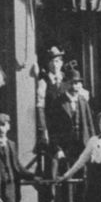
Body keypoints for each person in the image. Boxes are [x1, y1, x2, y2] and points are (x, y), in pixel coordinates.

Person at [46, 63, 95, 202]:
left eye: (79, 83)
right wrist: (57, 149)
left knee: (83, 182)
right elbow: (52, 129)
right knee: (67, 182)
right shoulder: (58, 103)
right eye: (73, 83)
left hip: (82, 147)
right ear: (67, 84)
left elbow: (89, 124)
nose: (76, 86)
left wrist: (93, 144)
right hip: (67, 148)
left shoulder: (83, 101)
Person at [34, 46, 66, 190]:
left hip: (66, 126)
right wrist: (43, 129)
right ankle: (49, 198)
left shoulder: (66, 79)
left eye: (58, 61)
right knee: (52, 160)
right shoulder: (44, 81)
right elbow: (40, 106)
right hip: (52, 127)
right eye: (52, 61)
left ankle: (66, 197)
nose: (55, 64)